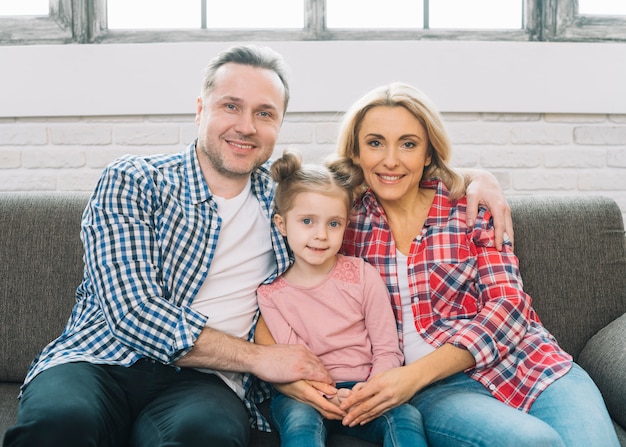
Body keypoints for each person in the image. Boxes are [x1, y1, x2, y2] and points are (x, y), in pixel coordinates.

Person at [3, 45, 512, 447]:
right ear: (201, 109)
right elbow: (133, 312)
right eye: (231, 106)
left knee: (208, 435)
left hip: (203, 383)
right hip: (101, 359)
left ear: (278, 126)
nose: (246, 126)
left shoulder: (285, 201)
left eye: (264, 113)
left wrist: (471, 177)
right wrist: (257, 359)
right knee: (61, 424)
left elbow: (380, 177)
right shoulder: (135, 180)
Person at [324, 82, 617, 446]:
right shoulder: (340, 222)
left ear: (429, 152)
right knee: (533, 442)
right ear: (355, 151)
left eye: (409, 144)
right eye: (375, 142)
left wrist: (411, 376)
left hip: (533, 364)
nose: (391, 160)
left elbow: (509, 307)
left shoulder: (470, 207)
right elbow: (291, 199)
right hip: (440, 390)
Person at [256, 149, 425, 447]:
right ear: (282, 225)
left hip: (365, 389)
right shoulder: (272, 296)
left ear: (346, 225)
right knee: (299, 421)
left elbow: (387, 349)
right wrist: (329, 394)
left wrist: (369, 393)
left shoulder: (362, 276)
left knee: (406, 417)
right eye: (307, 221)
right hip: (307, 394)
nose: (321, 235)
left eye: (333, 223)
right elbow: (296, 361)